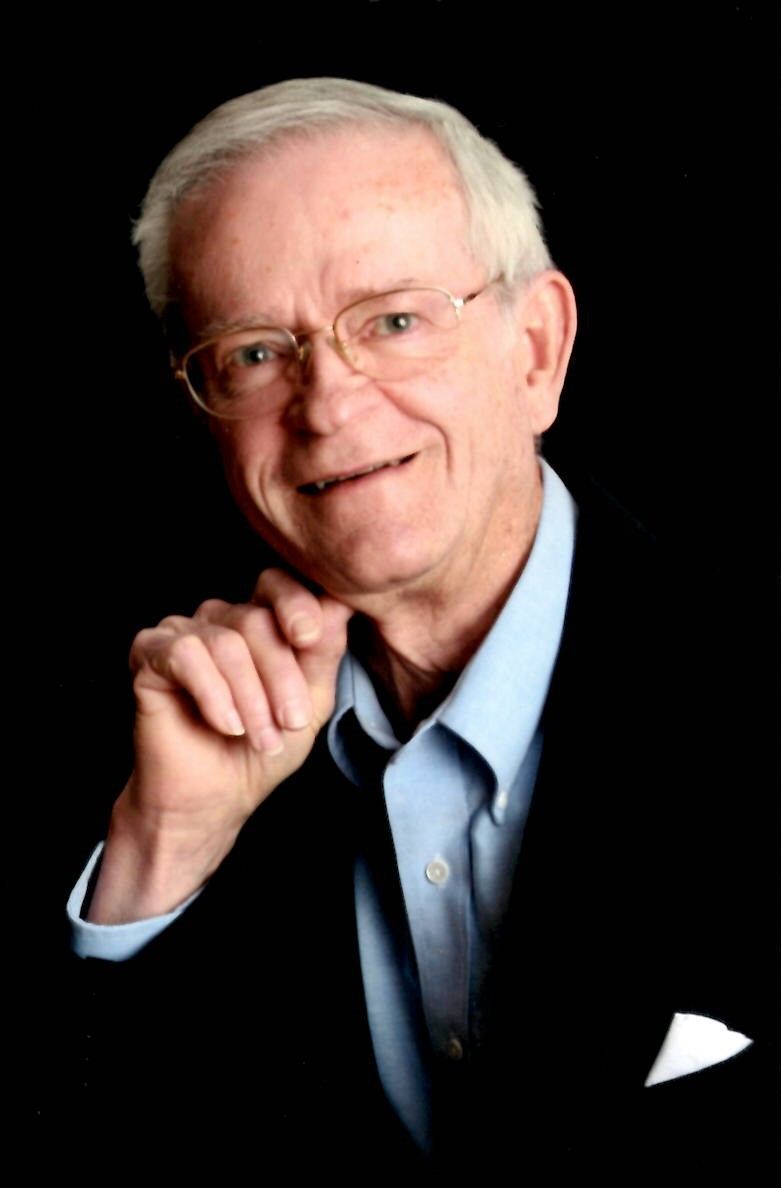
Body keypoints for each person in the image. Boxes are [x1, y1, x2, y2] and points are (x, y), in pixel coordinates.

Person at [40, 78, 769, 1174]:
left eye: (392, 320)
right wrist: (161, 862)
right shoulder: (169, 750)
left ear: (537, 351)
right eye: (252, 352)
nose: (326, 402)